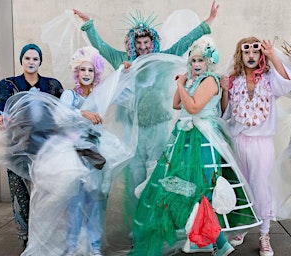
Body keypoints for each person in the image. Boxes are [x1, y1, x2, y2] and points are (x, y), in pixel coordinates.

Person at [72, 2, 220, 216]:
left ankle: (155, 223)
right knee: (135, 178)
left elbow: (185, 41)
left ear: (153, 43)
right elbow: (102, 47)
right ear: (132, 44)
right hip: (133, 129)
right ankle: (136, 225)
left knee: (157, 176)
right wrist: (89, 25)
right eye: (138, 43)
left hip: (159, 126)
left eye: (146, 42)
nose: (143, 47)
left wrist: (208, 21)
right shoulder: (123, 60)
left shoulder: (162, 58)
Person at [130, 36, 261, 256]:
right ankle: (208, 240)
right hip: (187, 136)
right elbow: (176, 104)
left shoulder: (209, 80)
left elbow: (192, 107)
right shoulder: (194, 80)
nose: (196, 64)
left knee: (203, 188)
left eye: (200, 60)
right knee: (187, 186)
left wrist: (181, 84)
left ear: (209, 62)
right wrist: (184, 83)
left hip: (203, 137)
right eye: (193, 60)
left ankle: (218, 242)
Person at [220, 36, 291, 256]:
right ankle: (242, 228)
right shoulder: (234, 79)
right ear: (240, 55)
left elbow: (288, 82)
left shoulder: (269, 79)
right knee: (241, 187)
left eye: (255, 52)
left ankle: (264, 234)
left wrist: (273, 54)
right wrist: (225, 90)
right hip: (238, 141)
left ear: (261, 55)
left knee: (262, 188)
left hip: (262, 144)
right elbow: (225, 113)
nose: (251, 56)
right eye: (247, 52)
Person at [0, 43, 63, 246]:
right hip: (17, 147)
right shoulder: (9, 84)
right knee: (20, 192)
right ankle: (27, 238)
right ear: (21, 60)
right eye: (27, 58)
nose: (31, 62)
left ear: (40, 62)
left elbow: (63, 109)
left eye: (35, 59)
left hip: (45, 146)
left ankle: (46, 234)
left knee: (47, 190)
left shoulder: (52, 84)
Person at [60, 46, 107, 256]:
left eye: (90, 70)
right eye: (82, 70)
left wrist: (126, 70)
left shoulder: (98, 96)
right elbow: (61, 117)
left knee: (94, 202)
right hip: (74, 156)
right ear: (76, 73)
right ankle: (72, 248)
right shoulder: (69, 95)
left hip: (93, 154)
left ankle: (95, 247)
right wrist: (83, 113)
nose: (86, 74)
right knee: (75, 203)